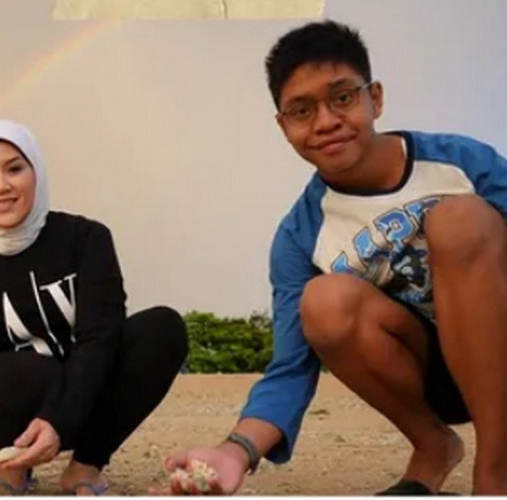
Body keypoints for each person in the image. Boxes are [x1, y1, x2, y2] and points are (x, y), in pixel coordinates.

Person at [162, 20, 507, 495]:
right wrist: (233, 451)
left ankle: (496, 471)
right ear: (284, 127)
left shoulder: (459, 163)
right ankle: (433, 445)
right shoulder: (301, 236)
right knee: (324, 301)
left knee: (460, 220)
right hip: (432, 373)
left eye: (342, 97)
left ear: (375, 98)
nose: (325, 122)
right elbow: (290, 367)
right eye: (302, 110)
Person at [0, 119, 187, 496]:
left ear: (36, 172)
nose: (0, 185)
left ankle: (85, 466)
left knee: (162, 329)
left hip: (81, 403)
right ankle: (11, 469)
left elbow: (99, 339)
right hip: (4, 402)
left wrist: (59, 418)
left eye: (14, 168)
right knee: (19, 369)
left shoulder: (87, 239)